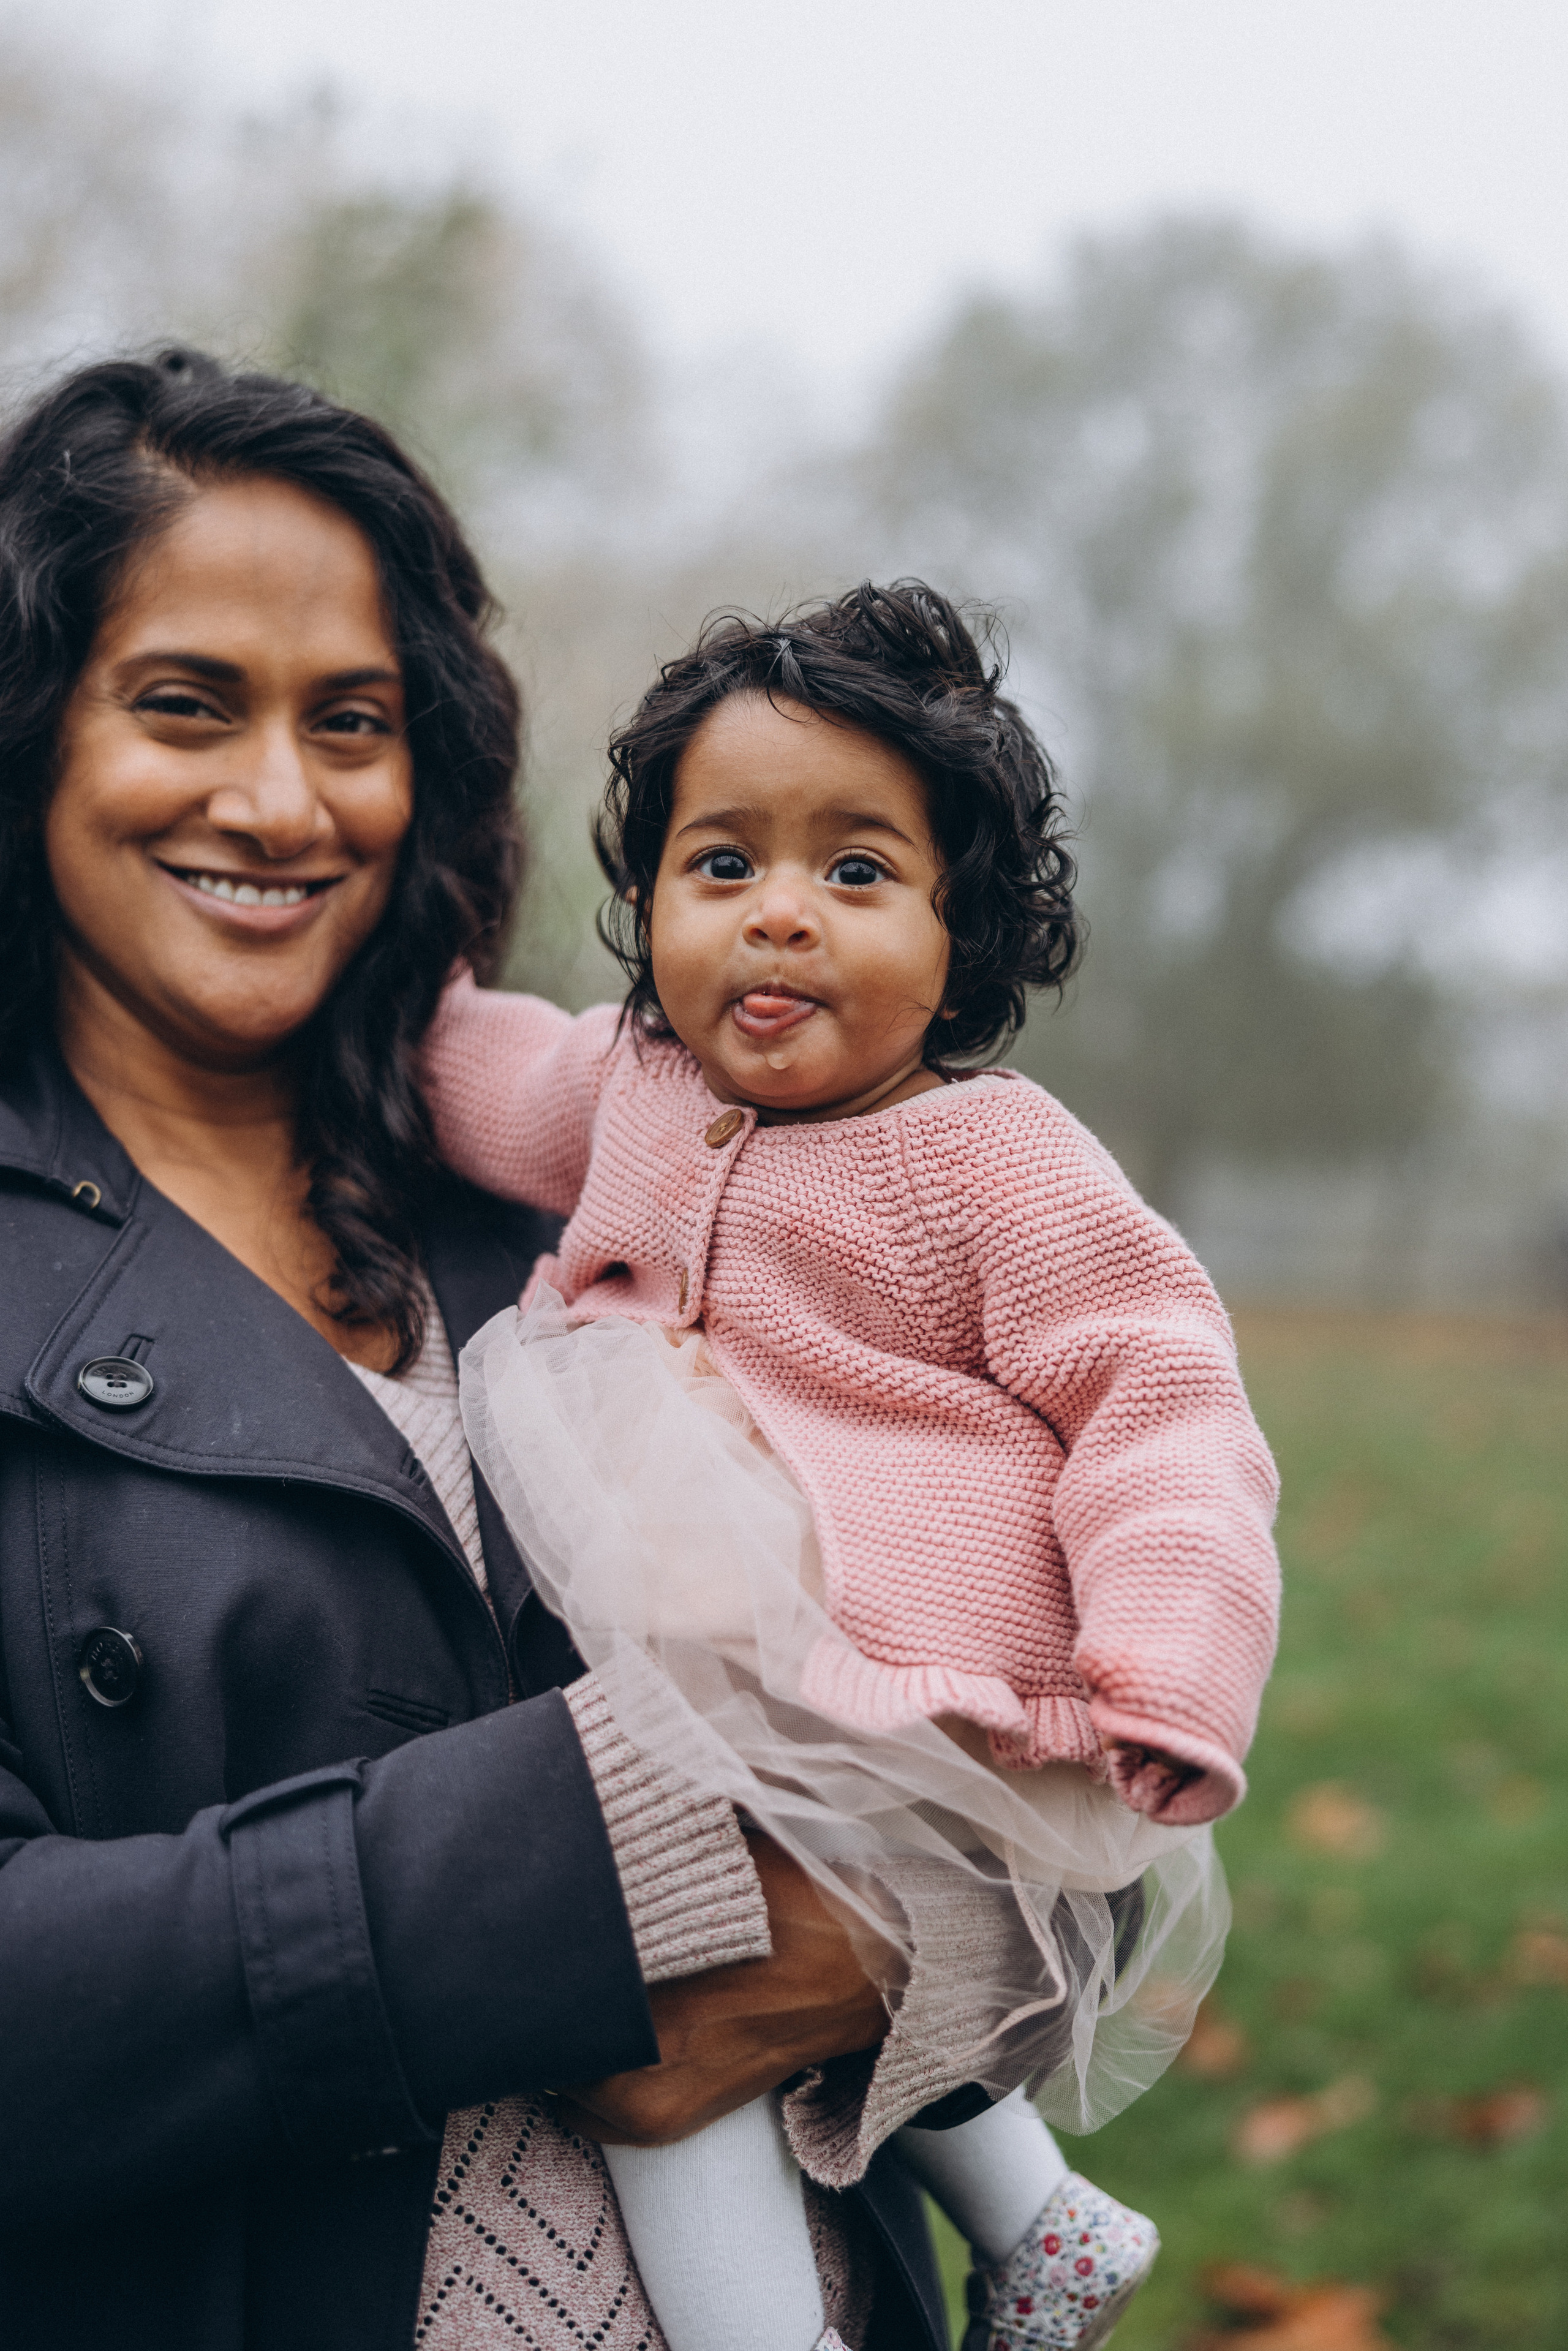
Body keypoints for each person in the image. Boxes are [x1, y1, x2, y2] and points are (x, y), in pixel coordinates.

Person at [0, 353, 951, 2351]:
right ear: (29, 734)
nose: (281, 800)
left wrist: (930, 1936)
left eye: (351, 722)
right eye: (186, 705)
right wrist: (616, 1848)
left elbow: (998, 1612)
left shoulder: (599, 1174)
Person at [419, 583, 1283, 2351]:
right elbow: (482, 1073)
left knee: (656, 2022)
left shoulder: (993, 1165)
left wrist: (1176, 1656)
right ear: (649, 902)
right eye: (720, 865)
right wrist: (382, 983)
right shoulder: (634, 1084)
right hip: (713, 1661)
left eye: (858, 873)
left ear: (966, 938)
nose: (779, 920)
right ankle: (1044, 2223)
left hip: (924, 1674)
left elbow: (1163, 1401)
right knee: (729, 1983)